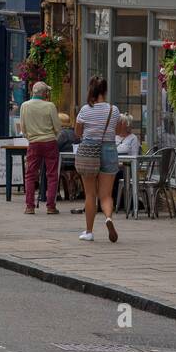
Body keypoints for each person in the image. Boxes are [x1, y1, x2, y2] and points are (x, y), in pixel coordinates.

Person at [74, 76, 121, 244]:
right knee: (106, 195)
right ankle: (108, 218)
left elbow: (77, 133)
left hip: (89, 151)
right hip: (109, 149)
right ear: (105, 91)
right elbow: (119, 130)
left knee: (90, 194)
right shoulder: (113, 110)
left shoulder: (85, 110)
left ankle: (89, 231)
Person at [19, 82, 61, 215]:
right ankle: (50, 206)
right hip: (49, 142)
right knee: (52, 175)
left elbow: (23, 128)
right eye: (47, 92)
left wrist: (31, 137)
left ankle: (29, 206)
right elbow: (57, 127)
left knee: (30, 175)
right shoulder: (50, 106)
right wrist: (53, 135)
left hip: (33, 142)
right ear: (44, 93)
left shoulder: (25, 106)